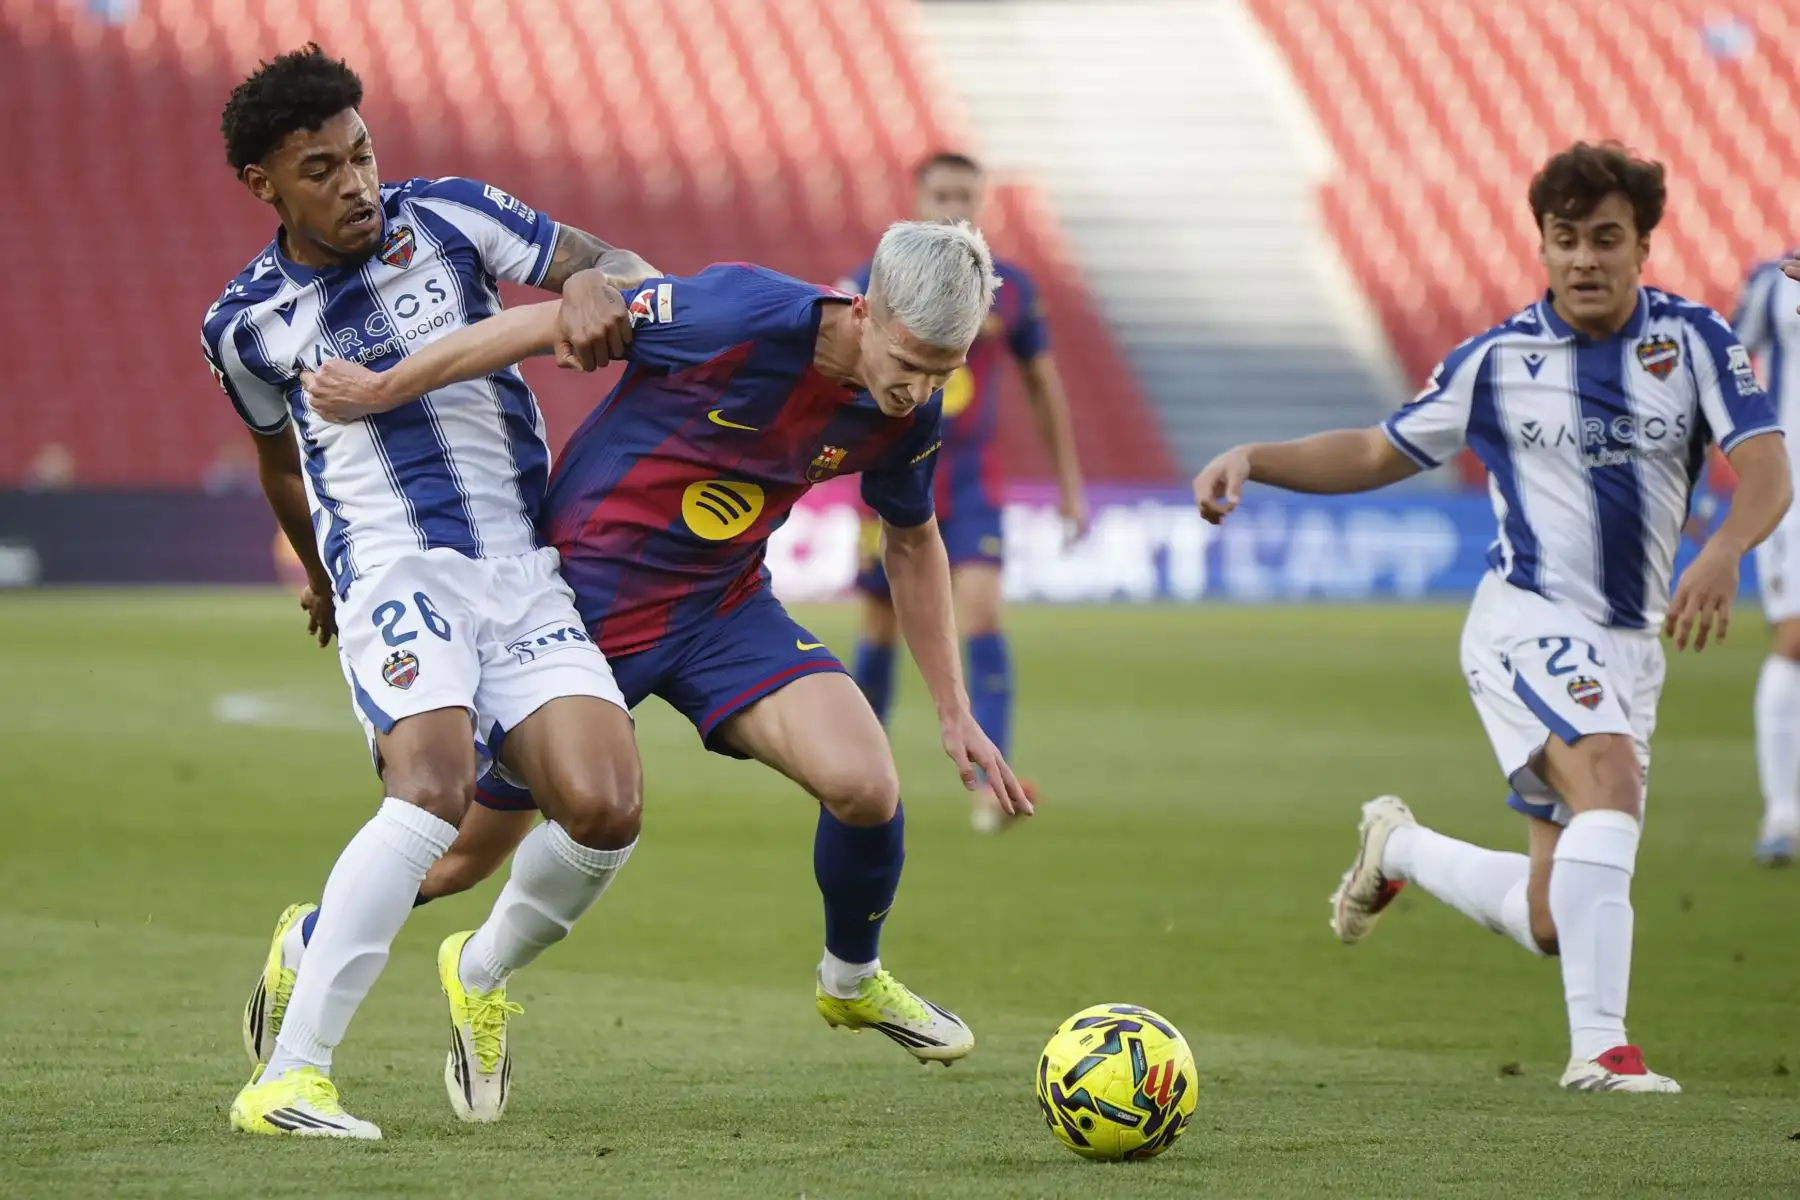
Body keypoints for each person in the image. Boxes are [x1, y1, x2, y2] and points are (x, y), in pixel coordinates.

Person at [281, 220, 1034, 1121]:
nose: (919, 389)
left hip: (722, 606)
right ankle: (307, 946)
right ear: (864, 309)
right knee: (451, 865)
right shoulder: (735, 315)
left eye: (943, 371)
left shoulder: (904, 409)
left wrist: (953, 710)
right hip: (580, 610)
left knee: (867, 785)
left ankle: (850, 979)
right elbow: (535, 327)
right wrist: (379, 389)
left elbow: (913, 539)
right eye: (910, 361)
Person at [1191, 142, 1789, 1092]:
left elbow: (1766, 466)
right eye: (1566, 240)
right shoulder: (1498, 361)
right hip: (1526, 622)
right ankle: (1602, 1051)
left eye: (1606, 239)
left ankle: (1403, 848)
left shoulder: (1696, 343)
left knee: (1557, 919)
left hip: (1632, 649)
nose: (1585, 259)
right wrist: (1255, 457)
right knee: (1611, 780)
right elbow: (1378, 450)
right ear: (1542, 249)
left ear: (1644, 247)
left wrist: (1722, 553)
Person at [203, 45, 657, 1139]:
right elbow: (279, 459)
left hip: (522, 565)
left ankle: (419, 959)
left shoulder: (453, 214)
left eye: (361, 154)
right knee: (433, 786)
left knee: (606, 807)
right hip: (396, 567)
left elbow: (616, 264)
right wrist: (319, 574)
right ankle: (293, 1080)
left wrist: (596, 279)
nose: (355, 183)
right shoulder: (245, 325)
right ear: (264, 184)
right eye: (320, 168)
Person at [840, 153, 1087, 832]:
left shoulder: (1013, 291)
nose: (953, 205)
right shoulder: (875, 282)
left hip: (974, 478)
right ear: (917, 197)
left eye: (965, 195)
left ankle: (991, 783)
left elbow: (1043, 385)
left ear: (983, 202)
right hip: (894, 473)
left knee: (980, 613)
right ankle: (855, 769)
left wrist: (1070, 486)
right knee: (882, 625)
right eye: (941, 193)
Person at [1730, 253, 1800, 864]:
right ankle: (1782, 812)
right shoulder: (1772, 280)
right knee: (1795, 639)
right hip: (1793, 487)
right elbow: (1726, 361)